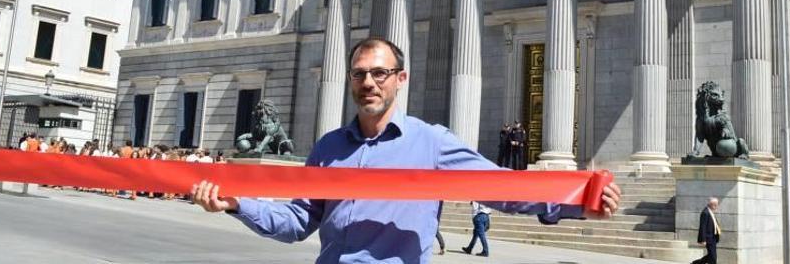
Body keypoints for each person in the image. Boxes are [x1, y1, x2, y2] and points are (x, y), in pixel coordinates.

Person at [192, 37, 621, 263]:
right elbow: (298, 222)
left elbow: (503, 188)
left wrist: (576, 201)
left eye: (380, 72)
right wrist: (236, 203)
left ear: (401, 79)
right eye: (359, 74)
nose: (368, 83)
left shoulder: (430, 143)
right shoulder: (328, 147)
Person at [692, 197, 721, 264]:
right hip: (708, 238)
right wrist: (703, 240)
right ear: (712, 204)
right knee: (713, 257)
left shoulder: (711, 212)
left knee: (711, 255)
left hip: (714, 237)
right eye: (716, 205)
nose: (717, 206)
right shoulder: (705, 212)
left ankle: (696, 263)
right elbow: (703, 227)